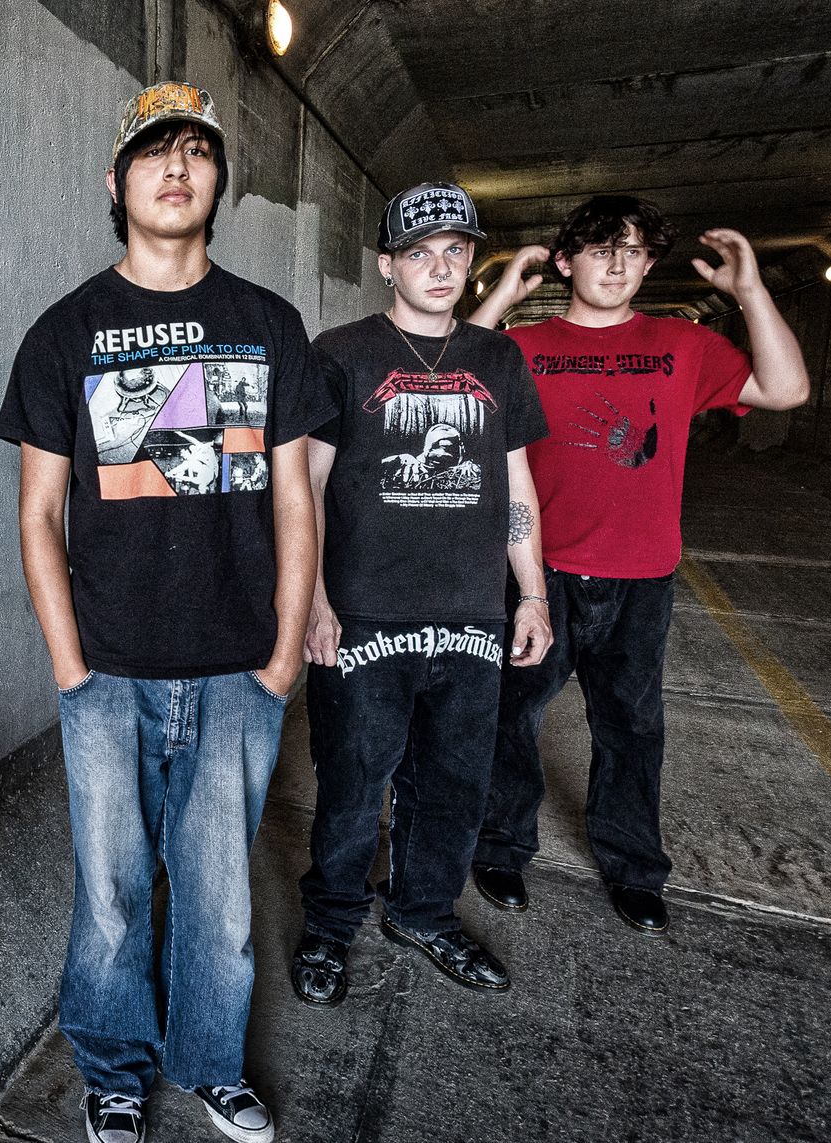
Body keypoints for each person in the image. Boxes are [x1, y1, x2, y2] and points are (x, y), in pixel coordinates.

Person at [0, 81, 332, 1143]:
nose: (176, 168)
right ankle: (113, 1072)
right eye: (153, 152)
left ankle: (211, 1064)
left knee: (222, 896)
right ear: (116, 183)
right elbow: (38, 513)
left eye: (196, 151)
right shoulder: (65, 333)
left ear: (219, 179)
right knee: (111, 893)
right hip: (108, 669)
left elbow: (295, 498)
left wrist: (284, 654)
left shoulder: (268, 324)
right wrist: (70, 665)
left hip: (239, 666)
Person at [466, 195, 810, 932]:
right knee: (510, 715)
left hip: (642, 575)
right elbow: (448, 373)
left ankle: (633, 867)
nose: (618, 265)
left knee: (630, 725)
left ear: (650, 264)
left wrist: (751, 290)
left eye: (632, 251)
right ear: (566, 262)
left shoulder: (683, 343)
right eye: (600, 249)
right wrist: (499, 296)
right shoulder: (524, 345)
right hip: (539, 572)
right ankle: (500, 845)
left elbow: (786, 389)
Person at [290, 183, 552, 1007]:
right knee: (352, 781)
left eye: (454, 252)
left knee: (456, 782)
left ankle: (424, 912)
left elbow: (517, 486)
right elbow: (307, 485)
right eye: (419, 253)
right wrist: (315, 600)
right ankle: (329, 925)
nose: (439, 268)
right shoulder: (341, 353)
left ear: (470, 262)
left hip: (473, 611)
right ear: (387, 265)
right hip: (365, 610)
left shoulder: (498, 359)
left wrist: (532, 595)